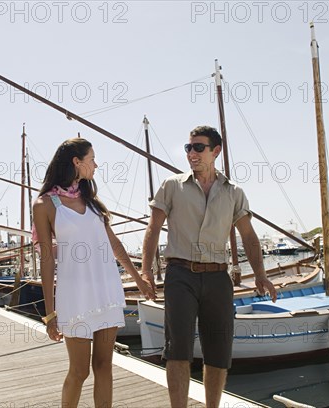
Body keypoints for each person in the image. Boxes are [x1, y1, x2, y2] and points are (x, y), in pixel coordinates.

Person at [141, 125, 278, 408]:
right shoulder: (171, 186)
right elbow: (153, 229)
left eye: (199, 148)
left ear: (216, 151)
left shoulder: (233, 192)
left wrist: (261, 275)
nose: (192, 153)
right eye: (189, 148)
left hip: (218, 278)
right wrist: (145, 271)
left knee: (218, 353)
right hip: (180, 275)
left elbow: (249, 236)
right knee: (177, 351)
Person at [32, 137, 156, 408]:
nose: (96, 165)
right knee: (79, 371)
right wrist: (50, 313)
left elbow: (114, 244)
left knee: (104, 366)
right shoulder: (45, 205)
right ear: (76, 162)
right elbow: (47, 261)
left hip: (106, 292)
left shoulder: (90, 200)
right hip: (75, 297)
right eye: (92, 160)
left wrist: (138, 279)